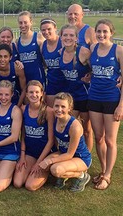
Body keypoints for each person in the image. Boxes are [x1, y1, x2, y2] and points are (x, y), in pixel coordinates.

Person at [88, 19, 123, 190]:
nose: (101, 35)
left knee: (110, 140)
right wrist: (87, 76)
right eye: (99, 31)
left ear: (111, 33)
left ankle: (108, 175)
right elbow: (91, 69)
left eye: (105, 31)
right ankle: (102, 170)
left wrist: (121, 105)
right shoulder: (93, 48)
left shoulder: (119, 50)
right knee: (98, 137)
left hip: (112, 99)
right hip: (94, 97)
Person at [39, 92, 92, 192]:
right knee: (44, 166)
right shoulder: (55, 119)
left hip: (80, 157)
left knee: (55, 169)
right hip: (64, 153)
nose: (59, 110)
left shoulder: (74, 127)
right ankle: (63, 175)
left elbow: (70, 154)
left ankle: (82, 176)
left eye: (63, 106)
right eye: (56, 106)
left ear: (69, 108)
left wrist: (49, 160)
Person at [13, 80, 55, 191]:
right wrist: (22, 156)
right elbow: (23, 135)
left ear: (42, 93)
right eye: (31, 92)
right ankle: (33, 170)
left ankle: (47, 170)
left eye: (37, 92)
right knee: (17, 183)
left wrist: (38, 163)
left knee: (30, 186)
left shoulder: (48, 111)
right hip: (30, 153)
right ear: (26, 94)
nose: (34, 95)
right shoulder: (23, 109)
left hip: (45, 154)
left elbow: (51, 141)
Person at [59, 24, 93, 152]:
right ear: (61, 37)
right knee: (69, 127)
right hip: (70, 97)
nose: (68, 38)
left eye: (71, 35)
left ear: (77, 38)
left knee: (87, 130)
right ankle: (72, 154)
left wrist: (91, 76)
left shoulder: (83, 52)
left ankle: (86, 160)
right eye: (65, 35)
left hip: (84, 95)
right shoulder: (60, 52)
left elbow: (96, 67)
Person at [40, 18, 67, 107]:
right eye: (43, 30)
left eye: (49, 29)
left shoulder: (63, 42)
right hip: (52, 83)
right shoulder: (43, 46)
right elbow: (45, 64)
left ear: (55, 28)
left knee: (66, 112)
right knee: (52, 111)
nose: (46, 32)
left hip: (66, 83)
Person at [16, 11, 46, 86]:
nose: (23, 25)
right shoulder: (17, 42)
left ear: (31, 22)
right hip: (24, 79)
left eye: (25, 22)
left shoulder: (39, 37)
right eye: (20, 23)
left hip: (38, 78)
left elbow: (46, 59)